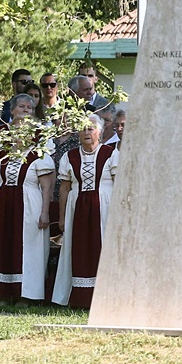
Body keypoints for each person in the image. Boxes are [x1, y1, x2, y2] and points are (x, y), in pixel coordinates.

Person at [0, 94, 55, 303]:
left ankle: (26, 294)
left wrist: (45, 211)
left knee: (29, 247)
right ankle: (3, 292)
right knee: (2, 244)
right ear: (12, 110)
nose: (25, 110)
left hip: (30, 201)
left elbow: (47, 183)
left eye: (30, 108)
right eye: (21, 107)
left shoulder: (41, 140)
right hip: (3, 200)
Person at [53, 113, 119, 308]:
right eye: (83, 128)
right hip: (77, 207)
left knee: (102, 248)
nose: (86, 132)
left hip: (104, 207)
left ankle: (105, 299)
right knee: (78, 248)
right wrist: (63, 216)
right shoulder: (70, 156)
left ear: (100, 131)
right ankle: (78, 298)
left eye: (91, 128)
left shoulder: (111, 154)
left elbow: (119, 184)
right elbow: (64, 188)